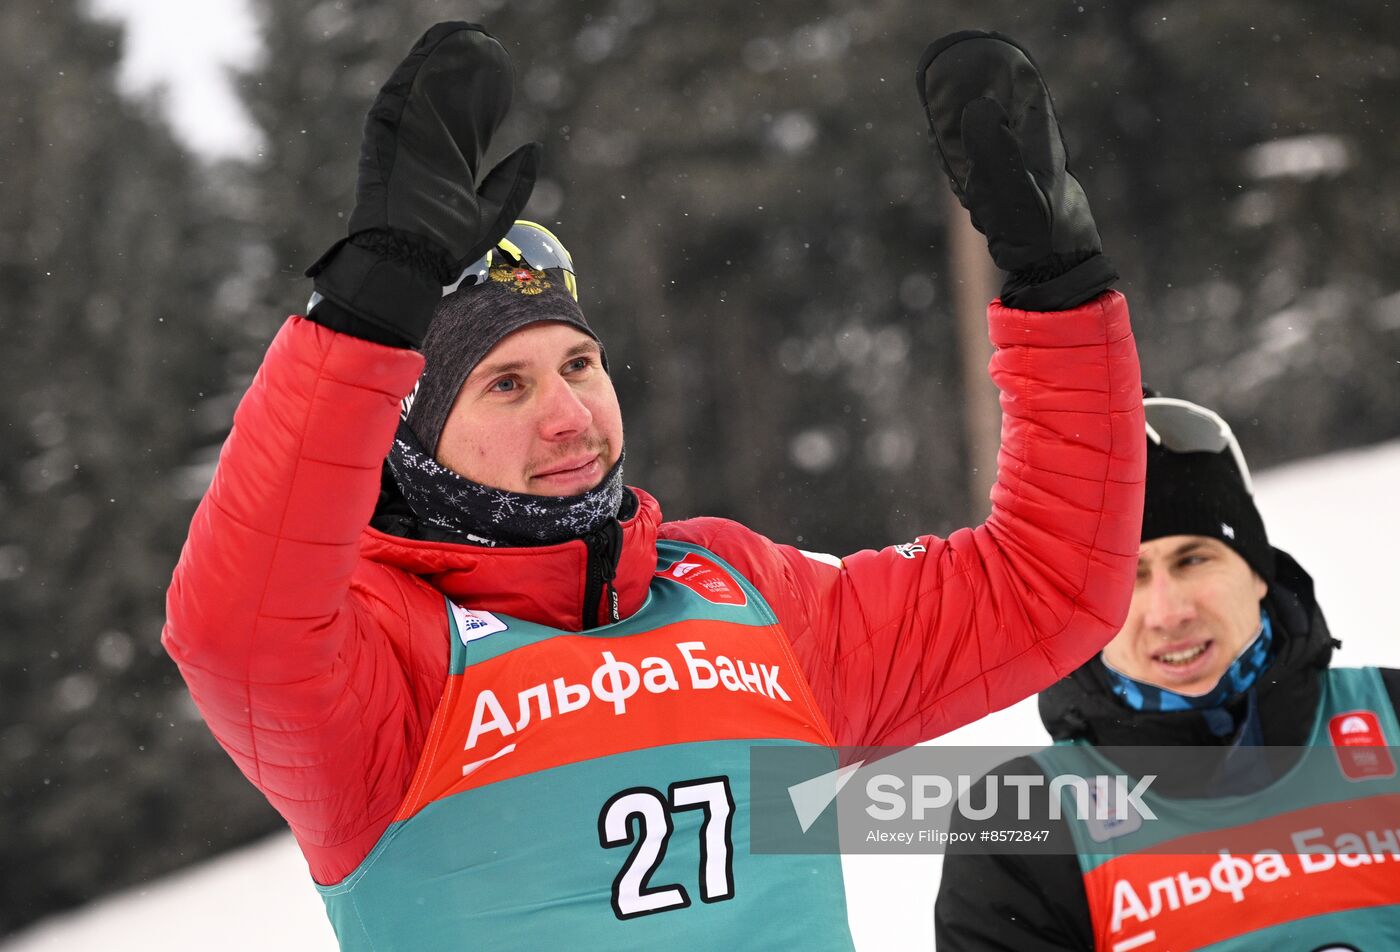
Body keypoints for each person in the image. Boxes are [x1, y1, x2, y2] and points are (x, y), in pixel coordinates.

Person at [164, 24, 1143, 950]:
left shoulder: (735, 589)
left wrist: (1056, 287)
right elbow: (235, 630)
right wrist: (367, 313)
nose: (568, 415)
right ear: (409, 435)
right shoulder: (387, 660)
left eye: (580, 365)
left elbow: (1044, 586)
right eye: (506, 384)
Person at [935, 396, 1400, 950]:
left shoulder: (1391, 715)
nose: (1170, 612)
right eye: (1127, 578)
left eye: (1195, 558)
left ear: (1258, 574)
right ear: (1083, 611)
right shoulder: (1020, 820)